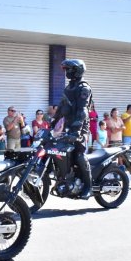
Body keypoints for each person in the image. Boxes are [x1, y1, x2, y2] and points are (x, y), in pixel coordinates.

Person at [50, 58, 93, 199]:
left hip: (81, 127)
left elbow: (83, 111)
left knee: (79, 155)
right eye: (66, 69)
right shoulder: (68, 88)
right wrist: (51, 124)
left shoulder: (84, 88)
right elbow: (62, 108)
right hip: (68, 127)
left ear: (77, 71)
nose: (67, 72)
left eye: (69, 70)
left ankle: (88, 186)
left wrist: (77, 131)